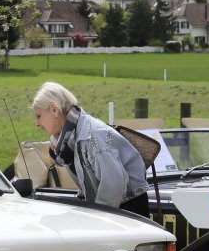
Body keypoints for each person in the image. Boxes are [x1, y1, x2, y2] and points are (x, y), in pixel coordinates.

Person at [30, 81, 151, 215]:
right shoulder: (69, 139)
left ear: (54, 109)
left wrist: (96, 219)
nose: (37, 123)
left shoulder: (92, 136)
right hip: (111, 207)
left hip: (128, 209)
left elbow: (113, 187)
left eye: (39, 116)